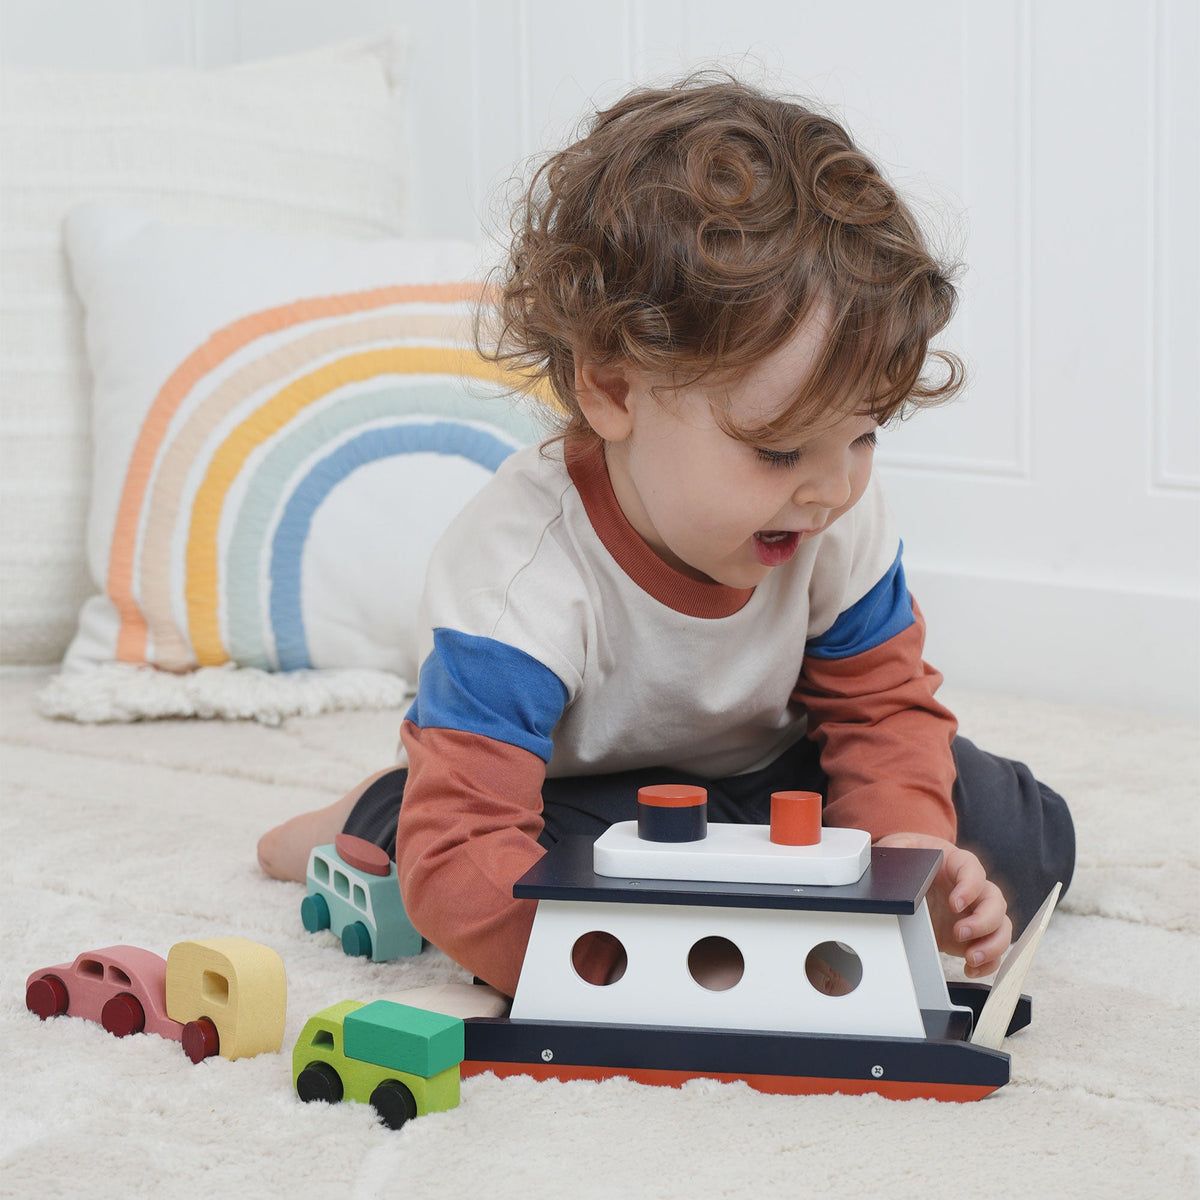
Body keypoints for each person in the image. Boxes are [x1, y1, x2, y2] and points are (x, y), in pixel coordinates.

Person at [257, 75, 1074, 999]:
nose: (834, 488)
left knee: (1020, 830)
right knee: (501, 867)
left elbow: (880, 712)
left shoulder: (831, 507)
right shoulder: (517, 576)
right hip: (589, 797)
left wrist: (906, 870)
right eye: (776, 451)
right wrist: (634, 974)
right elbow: (476, 854)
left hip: (777, 779)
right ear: (612, 390)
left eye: (865, 435)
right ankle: (374, 811)